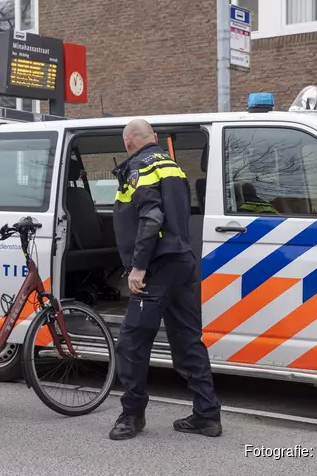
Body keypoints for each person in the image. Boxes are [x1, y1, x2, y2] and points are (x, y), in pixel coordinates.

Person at [109, 119, 222, 440]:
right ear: (154, 138)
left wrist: (138, 266)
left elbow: (151, 216)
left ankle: (132, 414)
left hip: (157, 268)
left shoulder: (139, 167)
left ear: (129, 142)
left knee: (131, 343)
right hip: (183, 263)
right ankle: (207, 415)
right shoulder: (172, 166)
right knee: (188, 341)